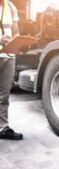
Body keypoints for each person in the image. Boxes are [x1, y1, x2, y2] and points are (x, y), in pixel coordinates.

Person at [0, 0, 23, 140]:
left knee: (4, 96)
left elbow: (16, 32)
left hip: (8, 56)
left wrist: (17, 40)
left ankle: (2, 128)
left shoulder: (10, 6)